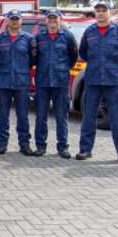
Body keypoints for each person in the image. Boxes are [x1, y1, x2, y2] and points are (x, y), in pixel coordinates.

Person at [76, 1, 118, 165]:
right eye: (98, 10)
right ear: (95, 13)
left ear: (110, 13)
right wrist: (96, 63)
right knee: (89, 116)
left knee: (117, 118)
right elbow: (83, 52)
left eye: (104, 10)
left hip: (113, 81)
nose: (101, 13)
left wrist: (116, 63)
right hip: (93, 80)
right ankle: (85, 150)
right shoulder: (89, 31)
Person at [33, 9, 79, 158]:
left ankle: (62, 147)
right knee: (41, 116)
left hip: (61, 82)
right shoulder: (39, 37)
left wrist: (62, 69)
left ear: (60, 19)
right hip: (43, 82)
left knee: (61, 116)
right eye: (49, 18)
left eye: (55, 18)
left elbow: (73, 57)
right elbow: (34, 58)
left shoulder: (68, 36)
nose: (52, 20)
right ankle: (40, 146)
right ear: (45, 20)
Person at [0, 10, 36, 155]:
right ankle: (2, 144)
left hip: (21, 82)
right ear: (8, 20)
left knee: (23, 115)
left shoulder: (28, 39)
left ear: (21, 21)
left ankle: (24, 144)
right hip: (3, 82)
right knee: (3, 115)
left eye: (17, 19)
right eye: (12, 19)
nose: (15, 21)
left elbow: (32, 60)